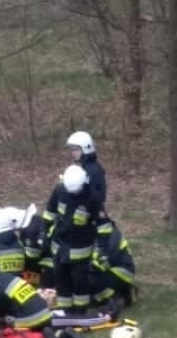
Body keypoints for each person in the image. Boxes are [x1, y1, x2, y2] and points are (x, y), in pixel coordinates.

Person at [0, 262, 87, 338]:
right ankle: (63, 334)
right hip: (43, 308)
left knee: (11, 330)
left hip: (29, 317)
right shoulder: (3, 276)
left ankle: (44, 336)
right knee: (41, 325)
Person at [41, 164, 105, 315]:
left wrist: (103, 248)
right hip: (60, 246)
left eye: (75, 190)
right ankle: (65, 310)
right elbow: (49, 212)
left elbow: (103, 226)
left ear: (83, 183)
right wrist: (43, 233)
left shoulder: (93, 198)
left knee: (80, 281)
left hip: (80, 248)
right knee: (61, 279)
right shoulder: (60, 190)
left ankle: (80, 310)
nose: (73, 193)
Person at [88, 218, 138, 319]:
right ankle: (105, 298)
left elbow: (103, 261)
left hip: (121, 273)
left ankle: (118, 297)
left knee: (89, 278)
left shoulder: (110, 234)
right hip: (105, 270)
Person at [66, 130, 107, 210]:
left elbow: (100, 196)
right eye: (72, 150)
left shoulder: (93, 170)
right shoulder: (79, 167)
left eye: (76, 150)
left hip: (89, 212)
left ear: (86, 149)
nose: (73, 153)